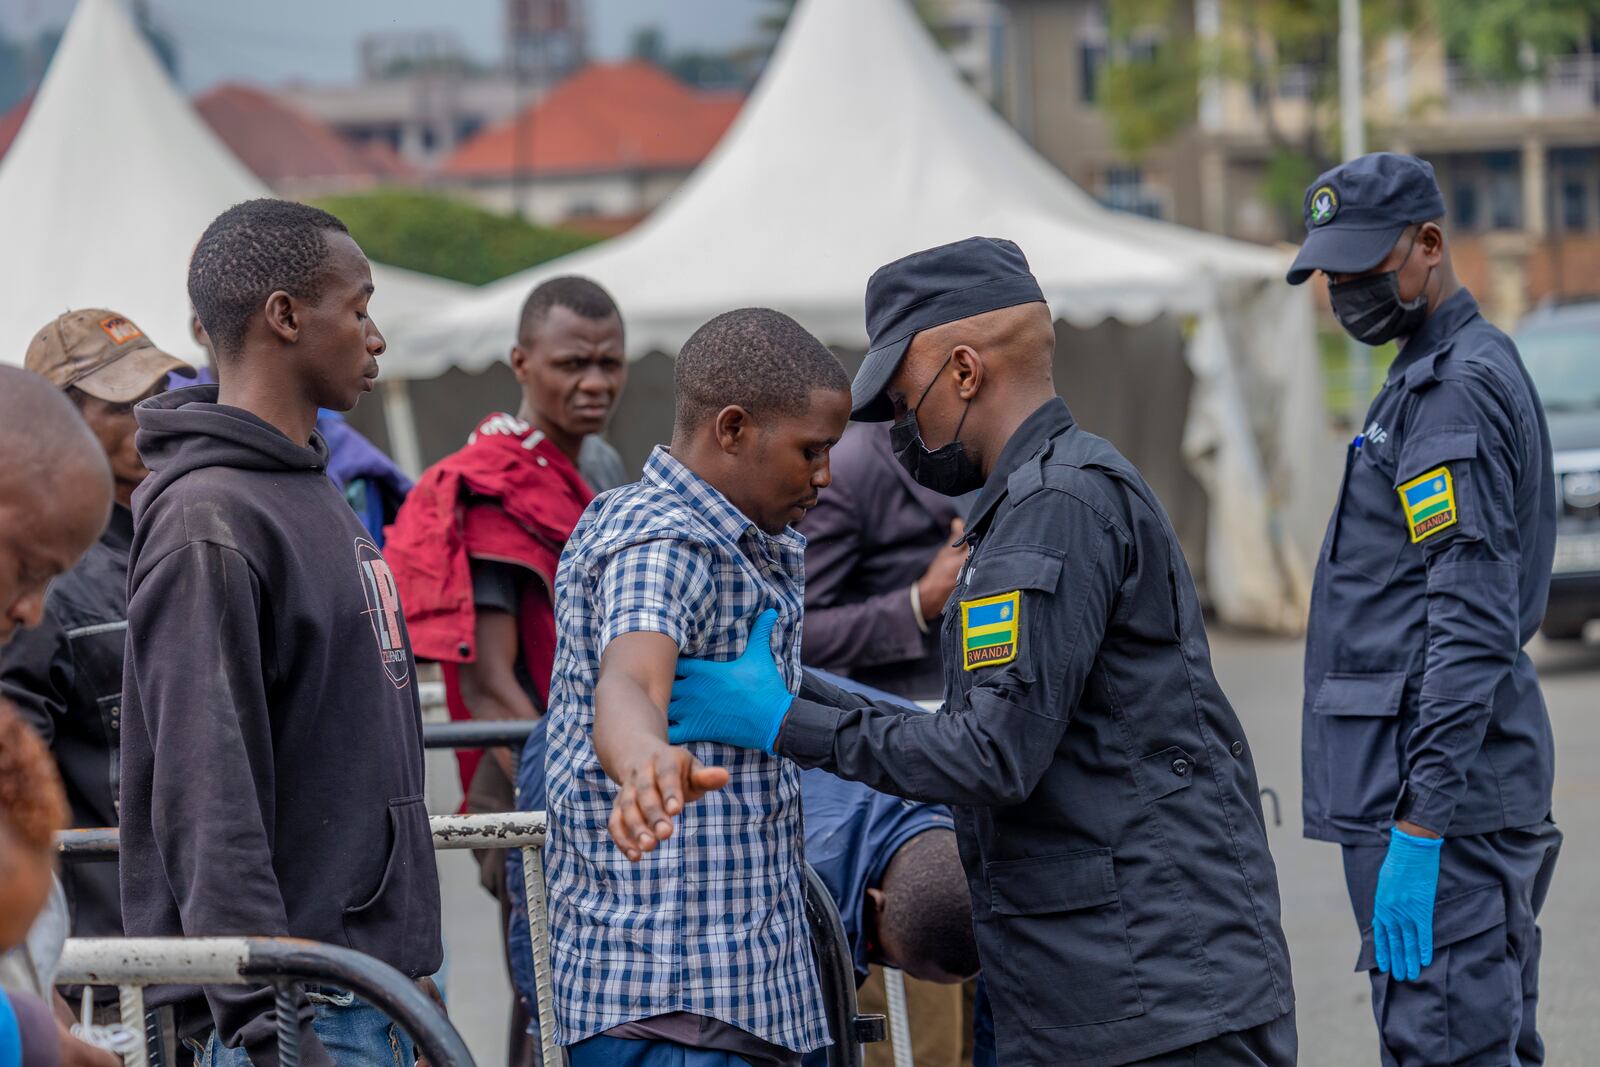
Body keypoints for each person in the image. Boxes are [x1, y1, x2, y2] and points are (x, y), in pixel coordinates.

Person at [661, 238, 1296, 1067]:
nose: (898, 429)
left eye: (900, 400)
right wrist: (796, 684)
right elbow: (985, 719)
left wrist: (787, 720)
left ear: (964, 372)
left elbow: (989, 752)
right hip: (1097, 981)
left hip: (1149, 999)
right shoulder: (1040, 499)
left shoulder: (1055, 508)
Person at [119, 199, 442, 1067]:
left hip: (375, 991)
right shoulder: (208, 518)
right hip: (307, 1017)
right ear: (286, 317)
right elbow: (205, 797)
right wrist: (271, 1032)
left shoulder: (313, 488)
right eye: (360, 307)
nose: (375, 337)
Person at [1284, 152, 1560, 1066]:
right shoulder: (1441, 370)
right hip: (1447, 793)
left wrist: (1420, 825)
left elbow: (1472, 620)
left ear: (1430, 244)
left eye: (1364, 267)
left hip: (1441, 804)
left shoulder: (1450, 394)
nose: (1345, 290)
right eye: (1332, 273)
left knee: (1446, 1048)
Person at [543, 308, 850, 1067]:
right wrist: (643, 756)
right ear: (734, 429)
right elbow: (629, 676)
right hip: (677, 1008)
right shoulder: (663, 538)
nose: (826, 476)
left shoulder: (728, 535)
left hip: (731, 1000)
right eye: (811, 450)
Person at [385, 274, 627, 1067]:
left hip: (607, 762)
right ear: (521, 362)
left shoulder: (601, 463)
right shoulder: (494, 485)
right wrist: (580, 798)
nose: (594, 382)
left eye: (609, 362)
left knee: (620, 1004)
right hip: (528, 773)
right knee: (551, 1004)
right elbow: (491, 679)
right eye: (571, 364)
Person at [504, 670, 978, 1063]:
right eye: (880, 952)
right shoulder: (809, 872)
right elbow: (538, 924)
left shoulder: (931, 761)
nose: (873, 962)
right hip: (591, 774)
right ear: (876, 901)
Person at [0, 310, 194, 952]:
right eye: (122, 402)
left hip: (190, 934)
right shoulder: (38, 585)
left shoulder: (176, 536)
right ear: (58, 420)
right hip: (102, 955)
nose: (151, 413)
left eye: (159, 390)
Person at [795, 421, 973, 1067]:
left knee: (954, 1035)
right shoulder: (851, 468)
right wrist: (918, 603)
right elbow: (796, 637)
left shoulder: (980, 461)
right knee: (909, 1043)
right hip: (871, 797)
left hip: (955, 790)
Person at [185, 312, 413, 547]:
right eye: (356, 313)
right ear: (201, 330)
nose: (377, 342)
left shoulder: (346, 453)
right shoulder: (172, 449)